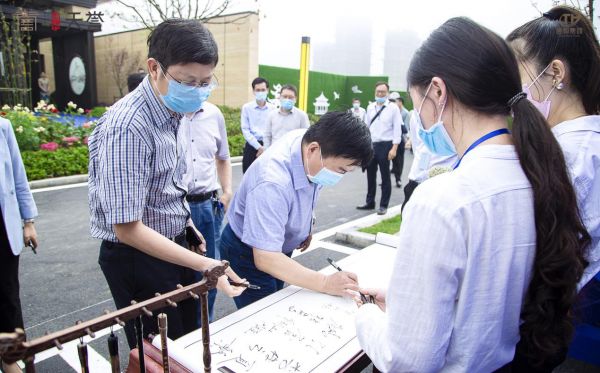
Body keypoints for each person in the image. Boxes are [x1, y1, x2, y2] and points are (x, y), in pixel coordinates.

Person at [354, 17, 589, 372]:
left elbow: (408, 361)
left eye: (417, 106)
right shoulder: (540, 176)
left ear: (437, 90)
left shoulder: (442, 199)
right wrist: (407, 307)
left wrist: (367, 317)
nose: (421, 122)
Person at [88, 19, 245, 349]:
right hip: (138, 258)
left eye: (206, 82)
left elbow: (166, 185)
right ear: (154, 68)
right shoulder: (128, 127)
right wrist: (207, 265)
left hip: (173, 245)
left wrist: (186, 224)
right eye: (189, 81)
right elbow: (126, 228)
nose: (198, 91)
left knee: (186, 341)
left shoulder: (172, 108)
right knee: (158, 352)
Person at [506, 6, 600, 371]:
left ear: (555, 73)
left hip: (564, 336)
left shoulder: (563, 154)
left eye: (516, 75)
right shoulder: (589, 141)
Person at [220, 111, 373, 309]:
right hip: (247, 253)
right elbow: (266, 257)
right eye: (341, 170)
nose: (339, 177)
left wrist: (306, 224)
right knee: (265, 315)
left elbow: (307, 190)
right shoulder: (272, 182)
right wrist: (326, 283)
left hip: (277, 248)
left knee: (277, 296)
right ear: (313, 150)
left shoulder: (307, 143)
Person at [180, 99, 232, 322]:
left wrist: (227, 191)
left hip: (208, 205)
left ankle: (205, 326)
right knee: (179, 271)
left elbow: (223, 157)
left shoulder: (214, 113)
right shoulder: (169, 112)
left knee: (211, 271)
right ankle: (184, 330)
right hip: (176, 206)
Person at [0, 117, 38, 373]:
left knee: (7, 300)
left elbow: (18, 178)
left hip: (3, 230)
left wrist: (28, 221)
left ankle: (10, 360)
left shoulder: (3, 128)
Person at [356, 82, 402, 215]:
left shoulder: (393, 108)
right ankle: (370, 202)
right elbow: (366, 127)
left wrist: (394, 148)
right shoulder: (370, 107)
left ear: (387, 93)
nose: (380, 94)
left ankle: (383, 205)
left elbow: (397, 129)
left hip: (386, 145)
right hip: (372, 145)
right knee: (370, 175)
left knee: (385, 176)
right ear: (375, 92)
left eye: (382, 92)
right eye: (378, 91)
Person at [401, 112, 457, 212]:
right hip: (416, 180)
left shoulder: (455, 111)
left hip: (443, 185)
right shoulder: (416, 115)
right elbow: (416, 146)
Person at [241, 77, 275, 173]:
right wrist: (259, 147)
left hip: (268, 146)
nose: (260, 92)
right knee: (248, 175)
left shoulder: (273, 109)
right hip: (251, 146)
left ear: (267, 90)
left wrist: (265, 148)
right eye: (258, 90)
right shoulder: (246, 108)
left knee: (266, 176)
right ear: (253, 91)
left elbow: (274, 130)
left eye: (263, 90)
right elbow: (245, 130)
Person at [388, 92, 409, 188]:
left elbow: (405, 129)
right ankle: (386, 181)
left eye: (394, 102)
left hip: (399, 141)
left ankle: (398, 179)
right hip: (388, 141)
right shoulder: (387, 111)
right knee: (386, 161)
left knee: (399, 161)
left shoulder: (404, 113)